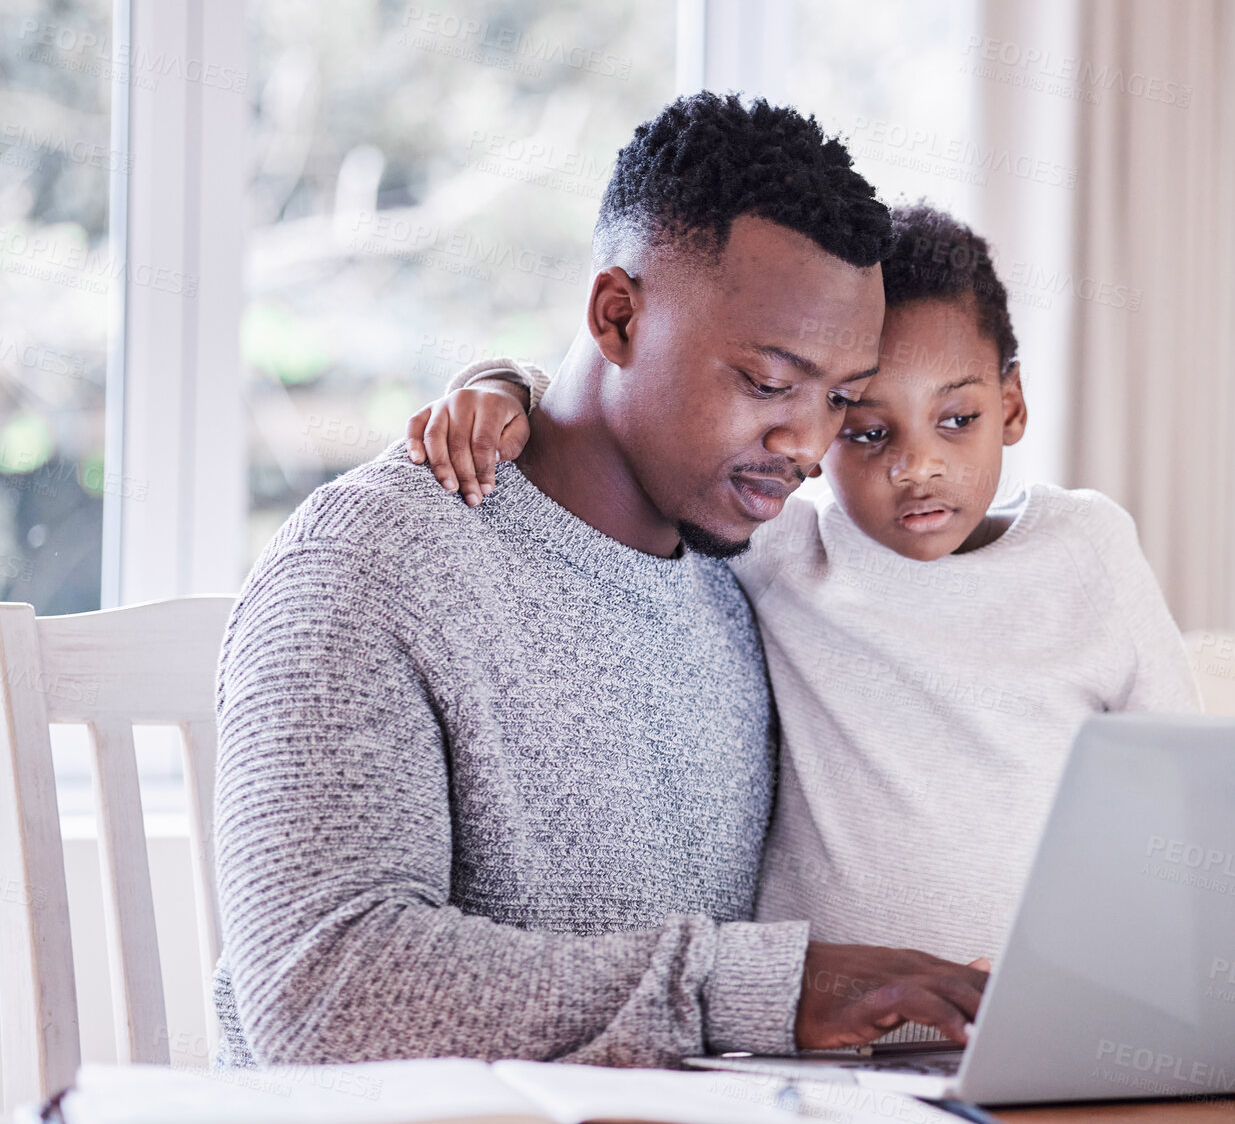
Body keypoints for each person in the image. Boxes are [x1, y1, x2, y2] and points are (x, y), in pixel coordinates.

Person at [418, 203, 1235, 1061]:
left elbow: (1194, 803)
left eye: (956, 420)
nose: (916, 468)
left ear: (1010, 406)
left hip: (1055, 1042)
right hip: (820, 1057)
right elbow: (619, 420)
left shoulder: (1087, 550)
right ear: (815, 427)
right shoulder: (784, 553)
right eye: (866, 430)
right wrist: (498, 388)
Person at [211, 94, 990, 1072]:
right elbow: (322, 997)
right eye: (765, 382)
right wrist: (766, 988)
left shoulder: (746, 582)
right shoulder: (371, 562)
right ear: (616, 315)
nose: (804, 444)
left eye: (838, 399)